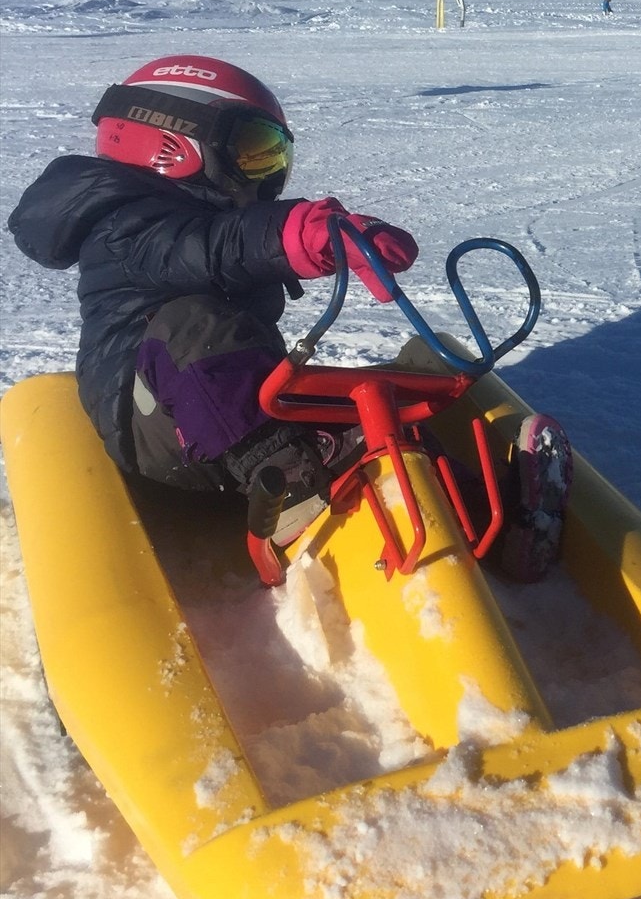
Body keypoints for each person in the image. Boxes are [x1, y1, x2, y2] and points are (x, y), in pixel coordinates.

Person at [7, 54, 571, 566]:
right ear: (171, 144)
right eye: (252, 151)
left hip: (230, 414)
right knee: (194, 327)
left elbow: (225, 239)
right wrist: (302, 233)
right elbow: (214, 246)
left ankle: (495, 524)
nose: (267, 172)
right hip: (158, 426)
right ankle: (289, 476)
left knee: (383, 411)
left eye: (274, 153)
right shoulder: (123, 225)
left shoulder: (191, 217)